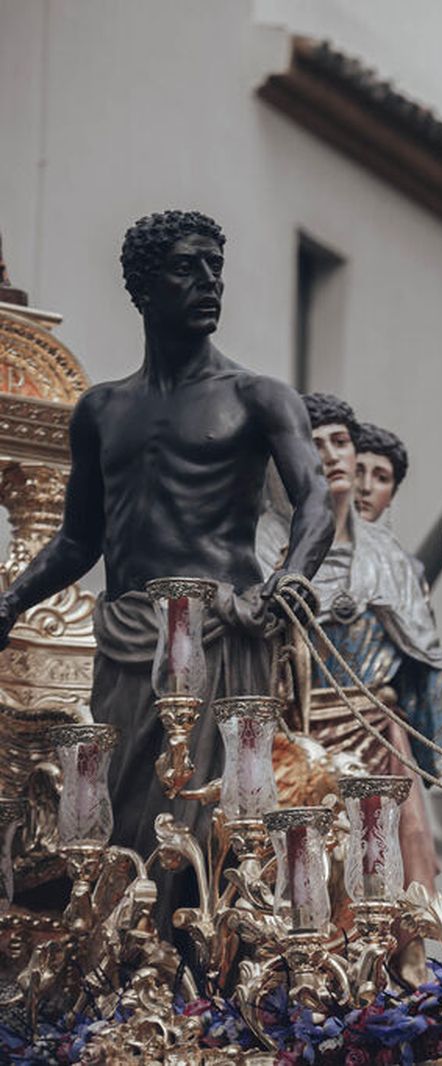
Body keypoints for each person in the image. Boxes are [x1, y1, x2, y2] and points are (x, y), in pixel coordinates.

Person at [0, 210, 333, 927]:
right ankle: (123, 967)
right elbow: (78, 541)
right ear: (144, 288)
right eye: (188, 267)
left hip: (219, 632)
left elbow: (315, 502)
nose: (209, 282)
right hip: (128, 640)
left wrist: (292, 581)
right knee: (117, 819)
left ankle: (202, 980)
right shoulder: (101, 410)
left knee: (211, 818)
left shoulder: (257, 396)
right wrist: (11, 602)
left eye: (216, 266)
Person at [259, 393, 442, 891]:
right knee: (304, 884)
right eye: (314, 443)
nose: (332, 454)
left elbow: (422, 662)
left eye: (340, 441)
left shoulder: (391, 561)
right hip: (297, 742)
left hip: (379, 744)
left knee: (392, 881)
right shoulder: (263, 547)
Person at [356, 420, 442, 697]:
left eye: (381, 477)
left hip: (380, 722)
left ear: (391, 495)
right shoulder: (307, 555)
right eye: (358, 471)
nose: (365, 487)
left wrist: (437, 687)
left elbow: (401, 671)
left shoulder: (405, 574)